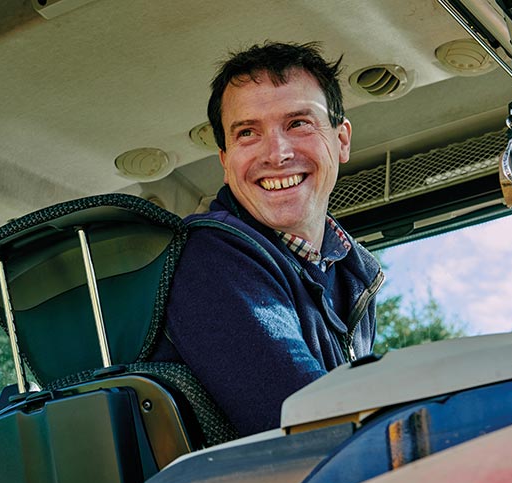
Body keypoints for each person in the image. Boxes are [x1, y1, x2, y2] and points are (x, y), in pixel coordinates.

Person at [151, 42, 384, 437]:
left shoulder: (354, 273)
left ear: (341, 140)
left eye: (298, 123)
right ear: (225, 162)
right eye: (247, 133)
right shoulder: (210, 259)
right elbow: (312, 425)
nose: (276, 154)